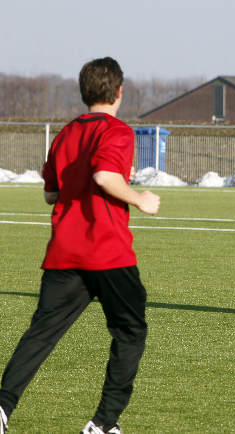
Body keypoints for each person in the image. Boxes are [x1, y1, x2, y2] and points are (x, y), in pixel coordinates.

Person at [0, 57, 160, 434]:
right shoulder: (118, 131)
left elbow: (52, 194)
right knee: (130, 332)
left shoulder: (66, 133)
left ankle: (2, 407)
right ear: (119, 91)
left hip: (64, 253)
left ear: (83, 92)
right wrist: (138, 198)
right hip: (107, 250)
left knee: (41, 334)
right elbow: (104, 175)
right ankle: (104, 423)